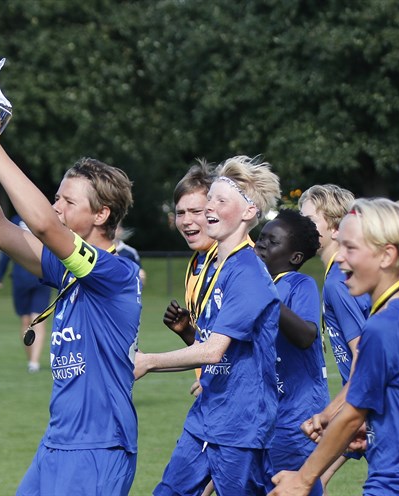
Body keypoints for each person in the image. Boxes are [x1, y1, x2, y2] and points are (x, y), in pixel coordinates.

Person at [0, 102, 141, 495]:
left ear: (101, 215)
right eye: (56, 197)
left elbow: (44, 226)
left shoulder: (117, 273)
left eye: (68, 202)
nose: (55, 207)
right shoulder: (66, 269)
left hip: (97, 448)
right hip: (57, 443)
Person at [270, 198, 399, 496]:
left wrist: (303, 479)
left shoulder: (380, 328)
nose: (340, 258)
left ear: (386, 255)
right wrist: (393, 425)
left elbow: (351, 416)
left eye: (351, 248)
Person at [135, 155, 281, 495]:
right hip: (207, 415)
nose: (210, 207)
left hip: (240, 426)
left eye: (221, 201)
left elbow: (214, 351)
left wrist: (148, 361)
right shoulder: (217, 266)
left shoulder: (248, 273)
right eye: (210, 199)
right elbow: (209, 347)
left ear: (248, 212)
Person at [297, 184, 370, 490]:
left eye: (309, 220)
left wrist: (334, 415)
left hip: (369, 406)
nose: (302, 227)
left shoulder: (339, 282)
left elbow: (364, 357)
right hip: (360, 404)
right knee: (312, 479)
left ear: (337, 227)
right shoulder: (337, 276)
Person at [254, 209, 328, 496]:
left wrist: (268, 296)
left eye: (273, 242)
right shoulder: (257, 288)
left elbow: (306, 336)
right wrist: (188, 333)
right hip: (265, 414)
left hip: (298, 415)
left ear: (295, 257)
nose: (262, 245)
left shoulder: (300, 285)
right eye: (261, 238)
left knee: (294, 484)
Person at [163, 162, 216, 347]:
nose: (186, 220)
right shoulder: (197, 262)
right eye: (180, 213)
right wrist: (187, 331)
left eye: (196, 211)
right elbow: (211, 347)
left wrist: (149, 360)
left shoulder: (236, 261)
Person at [0, 214, 52, 373]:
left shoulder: (31, 219)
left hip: (35, 278)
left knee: (33, 321)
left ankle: (34, 362)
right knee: (30, 322)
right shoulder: (25, 220)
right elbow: (7, 249)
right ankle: (32, 361)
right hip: (29, 278)